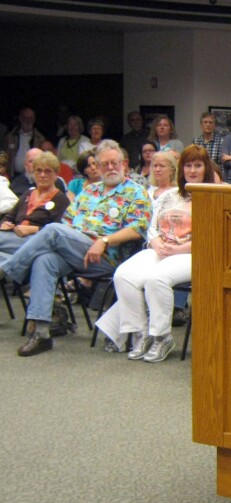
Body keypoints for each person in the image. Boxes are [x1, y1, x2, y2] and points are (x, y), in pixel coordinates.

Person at [0, 140, 151, 357]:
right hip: (76, 250)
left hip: (109, 258)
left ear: (124, 164)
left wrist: (104, 241)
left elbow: (137, 229)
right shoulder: (89, 192)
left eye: (114, 163)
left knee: (52, 230)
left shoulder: (136, 192)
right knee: (45, 260)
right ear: (97, 168)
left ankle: (7, 269)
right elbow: (68, 222)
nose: (110, 168)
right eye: (105, 164)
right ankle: (42, 333)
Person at [97, 145, 211, 362]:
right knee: (123, 275)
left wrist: (179, 249)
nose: (193, 170)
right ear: (182, 169)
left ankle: (162, 337)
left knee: (156, 279)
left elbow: (211, 236)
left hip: (191, 253)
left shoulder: (212, 196)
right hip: (162, 248)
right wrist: (156, 242)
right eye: (188, 165)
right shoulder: (171, 195)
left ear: (206, 169)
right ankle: (140, 333)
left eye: (198, 166)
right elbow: (152, 226)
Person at [0, 151, 71, 259]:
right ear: (33, 173)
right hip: (14, 237)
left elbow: (59, 232)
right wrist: (5, 223)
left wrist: (32, 229)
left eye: (48, 171)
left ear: (56, 175)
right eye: (39, 171)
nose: (42, 175)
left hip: (37, 241)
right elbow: (9, 216)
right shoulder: (28, 193)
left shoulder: (61, 200)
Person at [5, 107, 46, 177]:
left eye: (31, 118)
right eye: (26, 118)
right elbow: (4, 156)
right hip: (13, 176)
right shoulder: (10, 136)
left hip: (33, 176)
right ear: (20, 119)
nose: (28, 121)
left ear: (34, 120)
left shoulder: (40, 139)